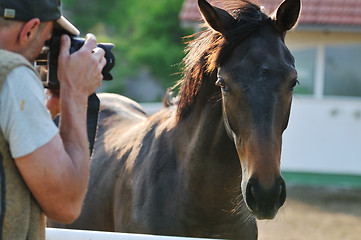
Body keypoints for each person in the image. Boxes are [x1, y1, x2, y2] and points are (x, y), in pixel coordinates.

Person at [0, 0, 106, 239]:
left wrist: (49, 108)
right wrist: (75, 93)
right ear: (29, 30)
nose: (45, 51)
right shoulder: (12, 75)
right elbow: (66, 203)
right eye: (48, 40)